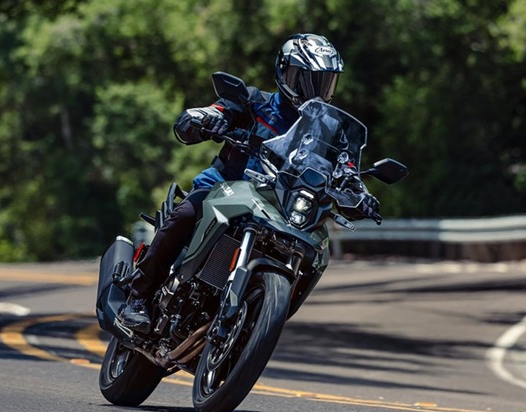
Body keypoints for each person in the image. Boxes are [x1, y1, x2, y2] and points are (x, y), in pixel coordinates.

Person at [118, 33, 380, 334]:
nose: (316, 90)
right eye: (307, 79)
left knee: (313, 250)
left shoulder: (331, 131)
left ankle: (252, 323)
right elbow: (216, 111)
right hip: (225, 186)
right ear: (285, 73)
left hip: (281, 207)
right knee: (186, 215)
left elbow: (347, 167)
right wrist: (202, 119)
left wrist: (359, 193)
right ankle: (137, 298)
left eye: (325, 81)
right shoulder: (255, 102)